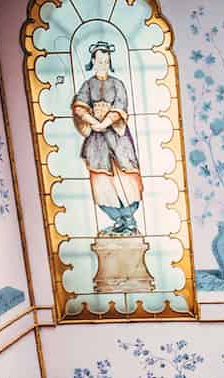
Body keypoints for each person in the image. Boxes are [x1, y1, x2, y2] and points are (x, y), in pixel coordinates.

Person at [72, 41, 144, 235]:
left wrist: (105, 122)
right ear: (93, 61)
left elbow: (121, 105)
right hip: (96, 139)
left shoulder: (117, 84)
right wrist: (91, 120)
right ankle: (117, 218)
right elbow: (79, 106)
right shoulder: (87, 85)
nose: (103, 64)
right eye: (100, 60)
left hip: (117, 135)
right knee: (101, 179)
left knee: (126, 175)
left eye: (106, 61)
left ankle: (129, 217)